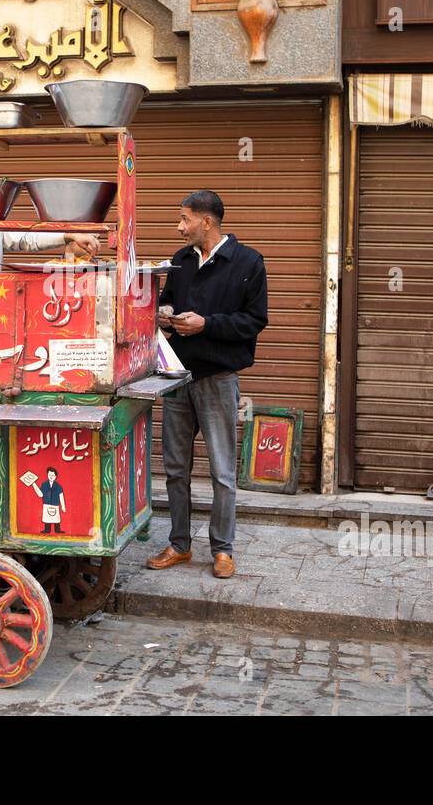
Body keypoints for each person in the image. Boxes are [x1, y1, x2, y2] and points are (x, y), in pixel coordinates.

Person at [146, 190, 267, 579]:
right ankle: (180, 545)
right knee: (176, 468)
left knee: (222, 471)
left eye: (185, 219)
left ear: (207, 222)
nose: (180, 227)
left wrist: (207, 324)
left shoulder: (248, 262)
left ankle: (222, 549)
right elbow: (164, 300)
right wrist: (164, 314)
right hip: (178, 378)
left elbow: (254, 320)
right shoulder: (180, 261)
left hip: (218, 379)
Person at [33, 466, 66, 534]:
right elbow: (40, 495)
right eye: (49, 475)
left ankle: (57, 530)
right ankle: (47, 530)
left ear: (56, 476)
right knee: (47, 519)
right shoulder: (44, 484)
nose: (51, 476)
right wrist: (34, 484)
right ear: (47, 475)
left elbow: (61, 496)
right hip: (46, 504)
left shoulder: (58, 486)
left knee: (56, 519)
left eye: (53, 475)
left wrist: (63, 506)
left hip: (55, 505)